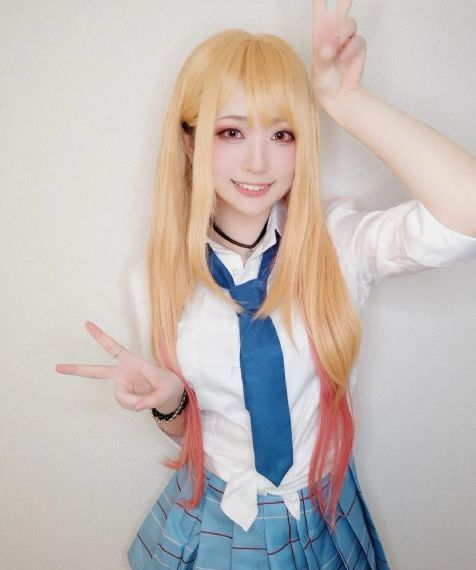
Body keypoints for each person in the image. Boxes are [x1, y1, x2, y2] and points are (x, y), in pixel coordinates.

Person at [55, 1, 476, 568]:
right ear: (190, 141)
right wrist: (170, 403)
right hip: (217, 518)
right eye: (231, 131)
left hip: (324, 510)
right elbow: (193, 434)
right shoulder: (153, 277)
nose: (258, 161)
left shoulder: (338, 243)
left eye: (282, 133)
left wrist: (344, 99)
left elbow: (467, 212)